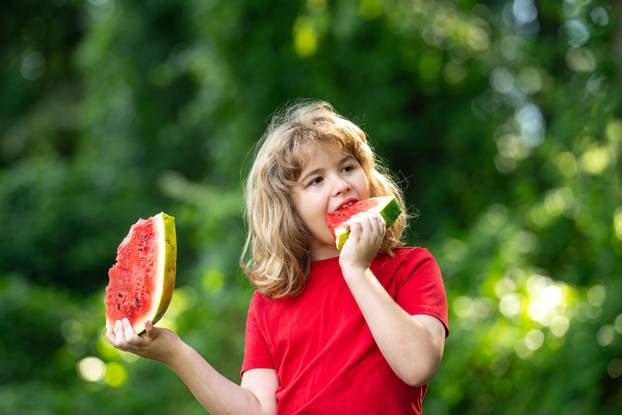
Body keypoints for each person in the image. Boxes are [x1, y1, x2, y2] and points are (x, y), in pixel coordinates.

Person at [106, 100, 449, 414]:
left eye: (347, 167)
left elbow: (418, 366)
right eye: (316, 180)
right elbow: (258, 410)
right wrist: (175, 353)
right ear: (289, 209)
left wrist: (357, 270)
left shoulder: (411, 267)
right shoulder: (270, 304)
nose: (341, 184)